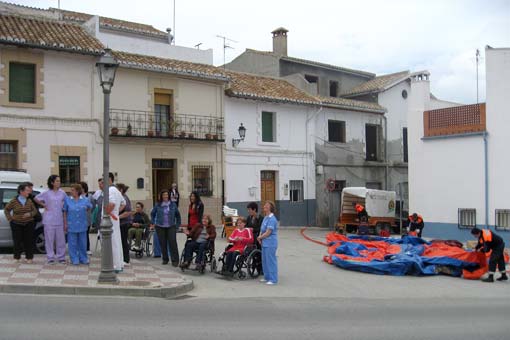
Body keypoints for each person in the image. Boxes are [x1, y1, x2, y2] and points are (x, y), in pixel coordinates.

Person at [36, 175, 67, 264]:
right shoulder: (46, 193)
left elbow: (67, 202)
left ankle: (61, 257)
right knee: (49, 239)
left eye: (59, 181)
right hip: (49, 219)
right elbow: (36, 198)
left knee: (61, 239)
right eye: (57, 181)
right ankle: (50, 257)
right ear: (52, 182)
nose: (59, 182)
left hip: (59, 219)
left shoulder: (62, 193)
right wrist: (44, 205)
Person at [4, 183, 38, 263]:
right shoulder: (14, 201)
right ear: (21, 191)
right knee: (17, 241)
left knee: (28, 241)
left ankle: (29, 257)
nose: (28, 192)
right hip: (16, 224)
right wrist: (10, 219)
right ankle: (17, 257)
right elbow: (6, 210)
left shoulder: (29, 201)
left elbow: (35, 211)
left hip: (29, 223)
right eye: (27, 190)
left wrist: (29, 214)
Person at [99, 173, 126, 273]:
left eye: (103, 179)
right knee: (117, 241)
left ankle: (115, 265)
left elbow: (112, 202)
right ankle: (120, 263)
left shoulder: (110, 190)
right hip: (115, 218)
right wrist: (116, 212)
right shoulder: (117, 190)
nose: (102, 181)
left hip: (109, 219)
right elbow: (123, 203)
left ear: (109, 179)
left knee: (112, 241)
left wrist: (107, 213)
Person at [63, 184, 92, 265]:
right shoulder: (67, 200)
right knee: (72, 243)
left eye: (73, 190)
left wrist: (86, 209)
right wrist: (65, 223)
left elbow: (90, 207)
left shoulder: (85, 199)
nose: (71, 191)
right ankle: (74, 258)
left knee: (83, 242)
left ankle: (83, 257)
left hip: (82, 224)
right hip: (71, 223)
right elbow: (65, 211)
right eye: (71, 190)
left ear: (78, 191)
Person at [150, 190, 181, 266]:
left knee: (172, 242)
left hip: (171, 226)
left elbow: (178, 215)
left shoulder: (173, 205)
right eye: (164, 195)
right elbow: (152, 214)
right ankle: (165, 258)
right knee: (163, 243)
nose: (165, 196)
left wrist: (177, 225)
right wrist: (154, 223)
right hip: (160, 226)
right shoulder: (158, 205)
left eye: (167, 195)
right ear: (161, 196)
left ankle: (175, 260)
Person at [257, 201, 279, 285]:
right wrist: (260, 237)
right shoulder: (265, 217)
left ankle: (273, 279)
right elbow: (262, 230)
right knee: (265, 261)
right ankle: (267, 277)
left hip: (271, 243)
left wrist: (260, 237)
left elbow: (268, 232)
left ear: (271, 208)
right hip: (264, 242)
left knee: (271, 261)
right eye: (264, 205)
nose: (265, 206)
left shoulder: (272, 219)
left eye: (267, 205)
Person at [117, 183, 132, 265]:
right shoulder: (120, 198)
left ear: (121, 190)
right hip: (121, 223)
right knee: (121, 241)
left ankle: (126, 259)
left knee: (123, 241)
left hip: (124, 223)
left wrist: (117, 217)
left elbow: (128, 212)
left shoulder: (124, 199)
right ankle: (122, 258)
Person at [79, 181, 93, 255]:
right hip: (79, 218)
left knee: (86, 234)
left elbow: (92, 205)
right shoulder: (78, 196)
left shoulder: (89, 196)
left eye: (80, 187)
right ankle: (80, 249)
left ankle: (87, 248)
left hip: (87, 218)